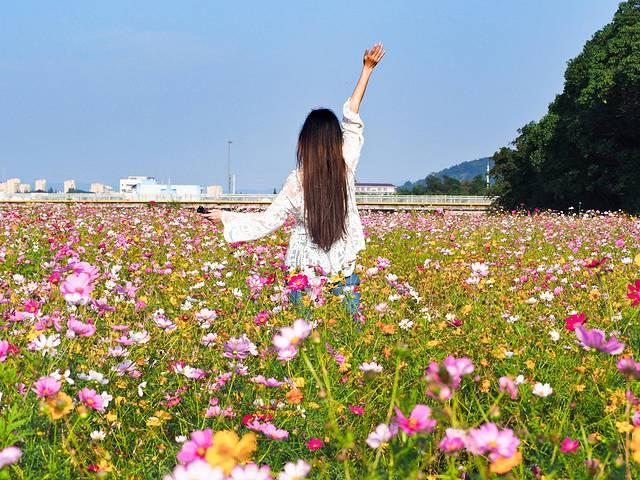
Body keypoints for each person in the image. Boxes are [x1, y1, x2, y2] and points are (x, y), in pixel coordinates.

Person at [203, 43, 386, 314]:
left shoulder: (297, 180)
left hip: (302, 266)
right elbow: (352, 118)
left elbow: (267, 222)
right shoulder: (345, 164)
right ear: (335, 140)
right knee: (350, 329)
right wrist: (367, 70)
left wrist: (225, 217)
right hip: (343, 262)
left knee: (301, 334)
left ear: (305, 142)